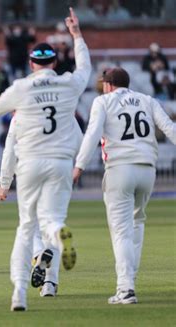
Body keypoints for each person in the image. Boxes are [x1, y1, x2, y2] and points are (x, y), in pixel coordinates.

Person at [0, 8, 90, 311]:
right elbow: (85, 68)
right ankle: (53, 265)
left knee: (26, 227)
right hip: (61, 162)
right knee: (52, 221)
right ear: (54, 62)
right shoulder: (68, 84)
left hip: (30, 163)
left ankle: (19, 295)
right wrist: (76, 34)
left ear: (31, 64)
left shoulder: (22, 89)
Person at [72, 67, 176, 305]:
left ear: (108, 85)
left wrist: (79, 166)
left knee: (121, 230)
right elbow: (169, 128)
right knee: (137, 222)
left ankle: (125, 288)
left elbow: (92, 134)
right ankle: (130, 279)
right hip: (147, 169)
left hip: (120, 169)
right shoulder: (147, 100)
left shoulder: (103, 102)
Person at [0, 113, 54, 296]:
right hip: (55, 170)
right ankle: (50, 285)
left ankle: (37, 255)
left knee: (29, 224)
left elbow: (10, 151)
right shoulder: (56, 108)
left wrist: (4, 183)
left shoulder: (20, 116)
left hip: (29, 172)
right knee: (52, 226)